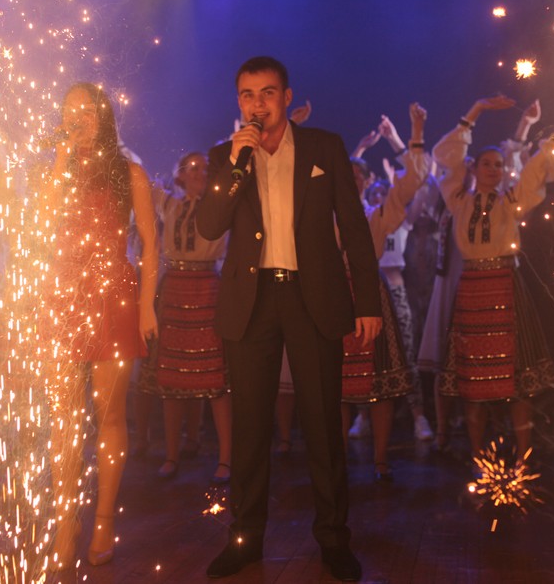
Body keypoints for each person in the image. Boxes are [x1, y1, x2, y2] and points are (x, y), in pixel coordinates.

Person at [197, 56, 382, 582]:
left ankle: (334, 540)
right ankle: (244, 539)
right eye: (247, 95)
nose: (257, 104)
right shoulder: (227, 156)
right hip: (252, 301)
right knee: (250, 429)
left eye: (267, 93)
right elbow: (210, 225)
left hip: (311, 296)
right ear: (239, 101)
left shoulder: (324, 147)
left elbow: (354, 225)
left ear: (286, 96)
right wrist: (237, 164)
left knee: (323, 425)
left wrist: (367, 301)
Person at [432, 93, 554, 468]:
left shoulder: (511, 201)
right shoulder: (458, 200)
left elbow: (535, 169)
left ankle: (523, 458)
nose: (493, 170)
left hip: (505, 285)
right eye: (486, 164)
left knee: (518, 380)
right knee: (473, 383)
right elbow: (446, 156)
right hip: (473, 290)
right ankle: (477, 457)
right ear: (474, 169)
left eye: (499, 165)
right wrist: (476, 110)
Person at [43, 82, 159, 569]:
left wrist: (148, 305)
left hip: (113, 294)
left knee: (108, 415)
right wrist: (60, 161)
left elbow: (151, 242)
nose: (79, 119)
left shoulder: (129, 171)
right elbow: (42, 223)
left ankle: (105, 519)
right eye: (70, 112)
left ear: (105, 117)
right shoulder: (56, 169)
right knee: (63, 420)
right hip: (64, 294)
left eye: (88, 111)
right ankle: (64, 523)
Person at [341, 103, 430, 481]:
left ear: (365, 182)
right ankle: (335, 460)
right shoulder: (319, 214)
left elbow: (412, 182)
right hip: (332, 297)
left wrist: (415, 133)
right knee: (335, 382)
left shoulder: (375, 216)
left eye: (358, 177)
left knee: (381, 376)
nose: (352, 181)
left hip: (369, 293)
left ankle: (380, 459)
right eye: (346, 177)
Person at [154, 151, 232, 484]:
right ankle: (171, 455)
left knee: (215, 377)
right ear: (181, 175)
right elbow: (138, 180)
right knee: (171, 375)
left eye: (205, 168)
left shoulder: (220, 203)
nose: (200, 173)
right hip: (175, 288)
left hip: (207, 287)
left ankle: (226, 458)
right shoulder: (169, 205)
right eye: (193, 168)